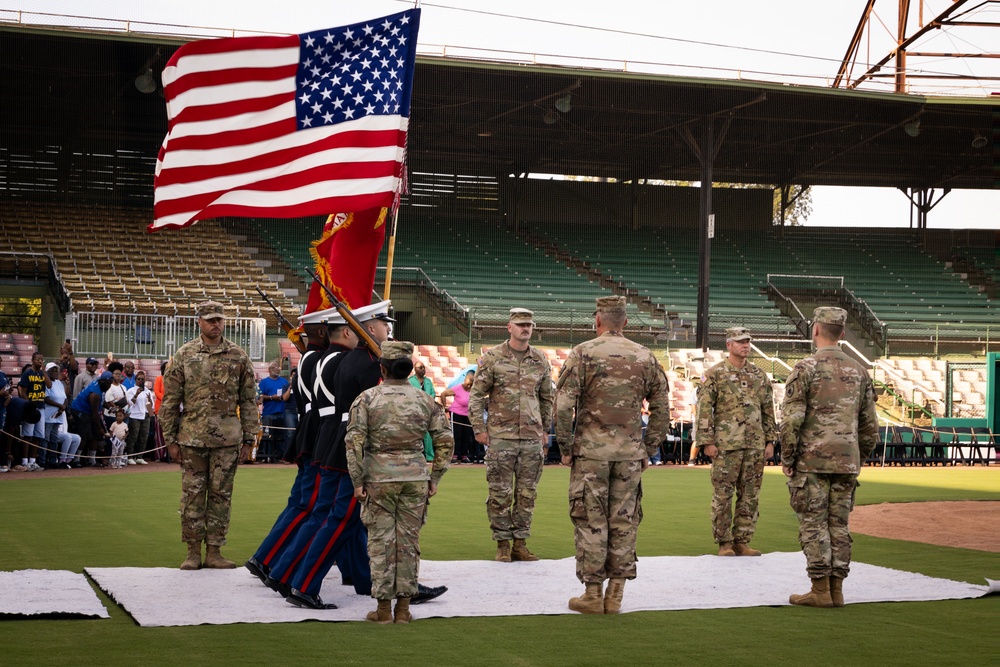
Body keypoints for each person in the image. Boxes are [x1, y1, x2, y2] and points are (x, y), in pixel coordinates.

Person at [555, 295, 669, 615]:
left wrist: (565, 447)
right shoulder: (645, 356)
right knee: (624, 520)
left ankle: (592, 593)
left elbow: (564, 406)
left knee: (591, 519)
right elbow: (661, 408)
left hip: (591, 452)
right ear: (626, 323)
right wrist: (649, 447)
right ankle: (615, 595)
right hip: (629, 453)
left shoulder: (583, 353)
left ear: (597, 321)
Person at [345, 341, 454, 624]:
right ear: (407, 370)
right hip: (415, 477)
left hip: (378, 477)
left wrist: (358, 481)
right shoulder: (425, 399)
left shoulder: (367, 399)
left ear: (382, 368)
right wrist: (436, 476)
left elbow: (354, 442)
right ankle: (404, 609)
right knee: (408, 543)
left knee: (381, 542)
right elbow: (445, 440)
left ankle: (383, 610)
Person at [781, 307, 879, 608]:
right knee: (839, 524)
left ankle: (820, 589)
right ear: (843, 333)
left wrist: (788, 457)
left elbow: (791, 420)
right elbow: (870, 426)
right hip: (846, 461)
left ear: (815, 330)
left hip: (812, 461)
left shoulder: (805, 367)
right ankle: (837, 590)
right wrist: (857, 455)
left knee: (813, 524)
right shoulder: (859, 370)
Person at [160, 300, 259, 571]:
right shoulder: (184, 355)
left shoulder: (238, 356)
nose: (216, 324)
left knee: (221, 496)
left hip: (227, 440)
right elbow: (170, 401)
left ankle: (214, 552)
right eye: (210, 320)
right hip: (192, 439)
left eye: (219, 319)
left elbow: (249, 400)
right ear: (199, 322)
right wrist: (170, 439)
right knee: (192, 495)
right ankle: (193, 552)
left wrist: (250, 439)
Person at [252, 309, 334, 594]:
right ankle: (270, 560)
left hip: (312, 433)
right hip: (318, 435)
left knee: (318, 508)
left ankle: (361, 574)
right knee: (307, 506)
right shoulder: (319, 360)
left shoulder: (308, 360)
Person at [468, 307, 553, 562]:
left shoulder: (540, 359)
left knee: (527, 494)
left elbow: (547, 397)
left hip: (530, 438)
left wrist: (544, 429)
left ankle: (520, 543)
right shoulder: (492, 358)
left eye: (529, 324)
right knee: (499, 493)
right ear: (510, 327)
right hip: (500, 436)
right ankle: (502, 544)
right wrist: (479, 429)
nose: (525, 328)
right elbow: (476, 396)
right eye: (520, 325)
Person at [696, 326, 777, 557]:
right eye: (740, 341)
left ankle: (742, 540)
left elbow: (768, 410)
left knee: (750, 494)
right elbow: (703, 410)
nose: (746, 345)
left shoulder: (759, 375)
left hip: (754, 444)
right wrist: (706, 442)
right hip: (726, 445)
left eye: (748, 341)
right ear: (729, 345)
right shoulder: (715, 374)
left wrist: (770, 440)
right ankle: (724, 543)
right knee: (723, 494)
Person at [70, 371, 114, 467]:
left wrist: (110, 408)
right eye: (108, 383)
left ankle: (92, 460)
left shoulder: (101, 384)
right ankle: (76, 459)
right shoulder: (95, 393)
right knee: (85, 434)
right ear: (103, 382)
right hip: (79, 410)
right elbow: (95, 413)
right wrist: (100, 428)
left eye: (111, 383)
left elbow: (102, 401)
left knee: (96, 435)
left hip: (89, 411)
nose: (109, 386)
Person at [43, 361, 80, 468]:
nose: (55, 372)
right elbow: (46, 398)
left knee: (53, 440)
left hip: (58, 416)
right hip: (48, 415)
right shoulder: (47, 383)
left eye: (56, 370)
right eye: (52, 370)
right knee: (45, 439)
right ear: (47, 372)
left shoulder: (59, 383)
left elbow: (65, 397)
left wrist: (63, 406)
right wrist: (60, 406)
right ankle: (43, 460)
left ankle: (53, 461)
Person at [18, 352, 51, 471]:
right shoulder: (27, 373)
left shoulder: (42, 373)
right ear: (32, 360)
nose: (40, 361)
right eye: (38, 359)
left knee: (38, 435)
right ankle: (24, 461)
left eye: (42, 359)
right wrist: (29, 406)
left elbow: (49, 385)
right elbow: (23, 392)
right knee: (28, 434)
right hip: (31, 408)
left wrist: (44, 371)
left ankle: (33, 461)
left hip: (41, 407)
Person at [439, 370, 476, 463]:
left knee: (466, 435)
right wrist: (444, 407)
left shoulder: (473, 390)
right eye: (467, 384)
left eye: (471, 384)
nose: (469, 386)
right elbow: (443, 394)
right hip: (456, 414)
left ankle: (464, 455)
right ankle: (454, 455)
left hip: (467, 415)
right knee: (457, 435)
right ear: (465, 381)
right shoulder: (458, 388)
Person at [257, 362, 290, 464]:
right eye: (275, 367)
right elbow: (260, 396)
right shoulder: (264, 382)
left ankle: (280, 456)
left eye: (278, 367)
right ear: (270, 370)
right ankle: (264, 456)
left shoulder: (284, 381)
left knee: (281, 436)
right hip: (268, 413)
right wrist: (272, 397)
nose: (278, 369)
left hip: (281, 412)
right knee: (266, 436)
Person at [408, 360, 437, 461]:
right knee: (416, 434)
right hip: (415, 411)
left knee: (428, 435)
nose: (423, 369)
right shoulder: (410, 381)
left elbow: (433, 393)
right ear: (415, 370)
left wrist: (429, 399)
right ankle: (417, 456)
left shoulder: (428, 381)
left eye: (424, 367)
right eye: (420, 368)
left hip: (427, 411)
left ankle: (430, 456)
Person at [124, 371, 154, 465]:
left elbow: (150, 406)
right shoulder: (131, 390)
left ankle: (140, 457)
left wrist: (150, 411)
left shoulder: (148, 391)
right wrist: (136, 394)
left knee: (144, 437)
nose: (140, 381)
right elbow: (130, 403)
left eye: (142, 379)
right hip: (135, 416)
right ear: (135, 380)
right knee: (133, 436)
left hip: (145, 415)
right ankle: (130, 456)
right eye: (138, 379)